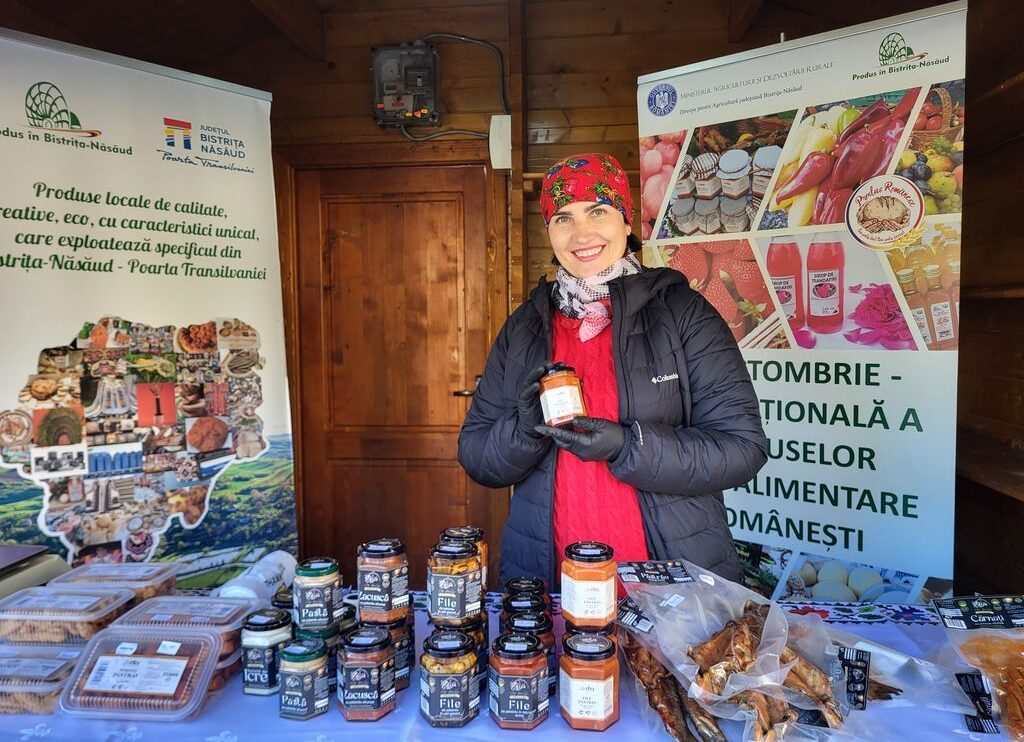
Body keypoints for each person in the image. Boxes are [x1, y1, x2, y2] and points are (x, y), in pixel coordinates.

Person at [458, 152, 767, 588]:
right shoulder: (524, 327)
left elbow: (742, 448)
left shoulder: (683, 313)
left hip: (673, 587)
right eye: (563, 218)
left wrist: (627, 446)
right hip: (549, 585)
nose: (581, 233)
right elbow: (477, 455)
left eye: (598, 211)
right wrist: (524, 430)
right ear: (549, 230)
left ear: (625, 220)